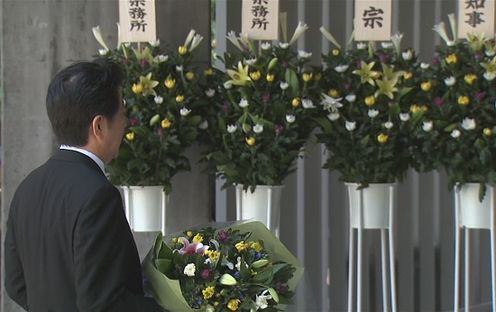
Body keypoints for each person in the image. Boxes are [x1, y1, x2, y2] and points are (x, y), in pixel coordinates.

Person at [4, 59, 163, 311]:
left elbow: (15, 284)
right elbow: (105, 303)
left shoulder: (27, 187)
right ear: (99, 125)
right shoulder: (98, 194)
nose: (125, 122)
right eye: (122, 113)